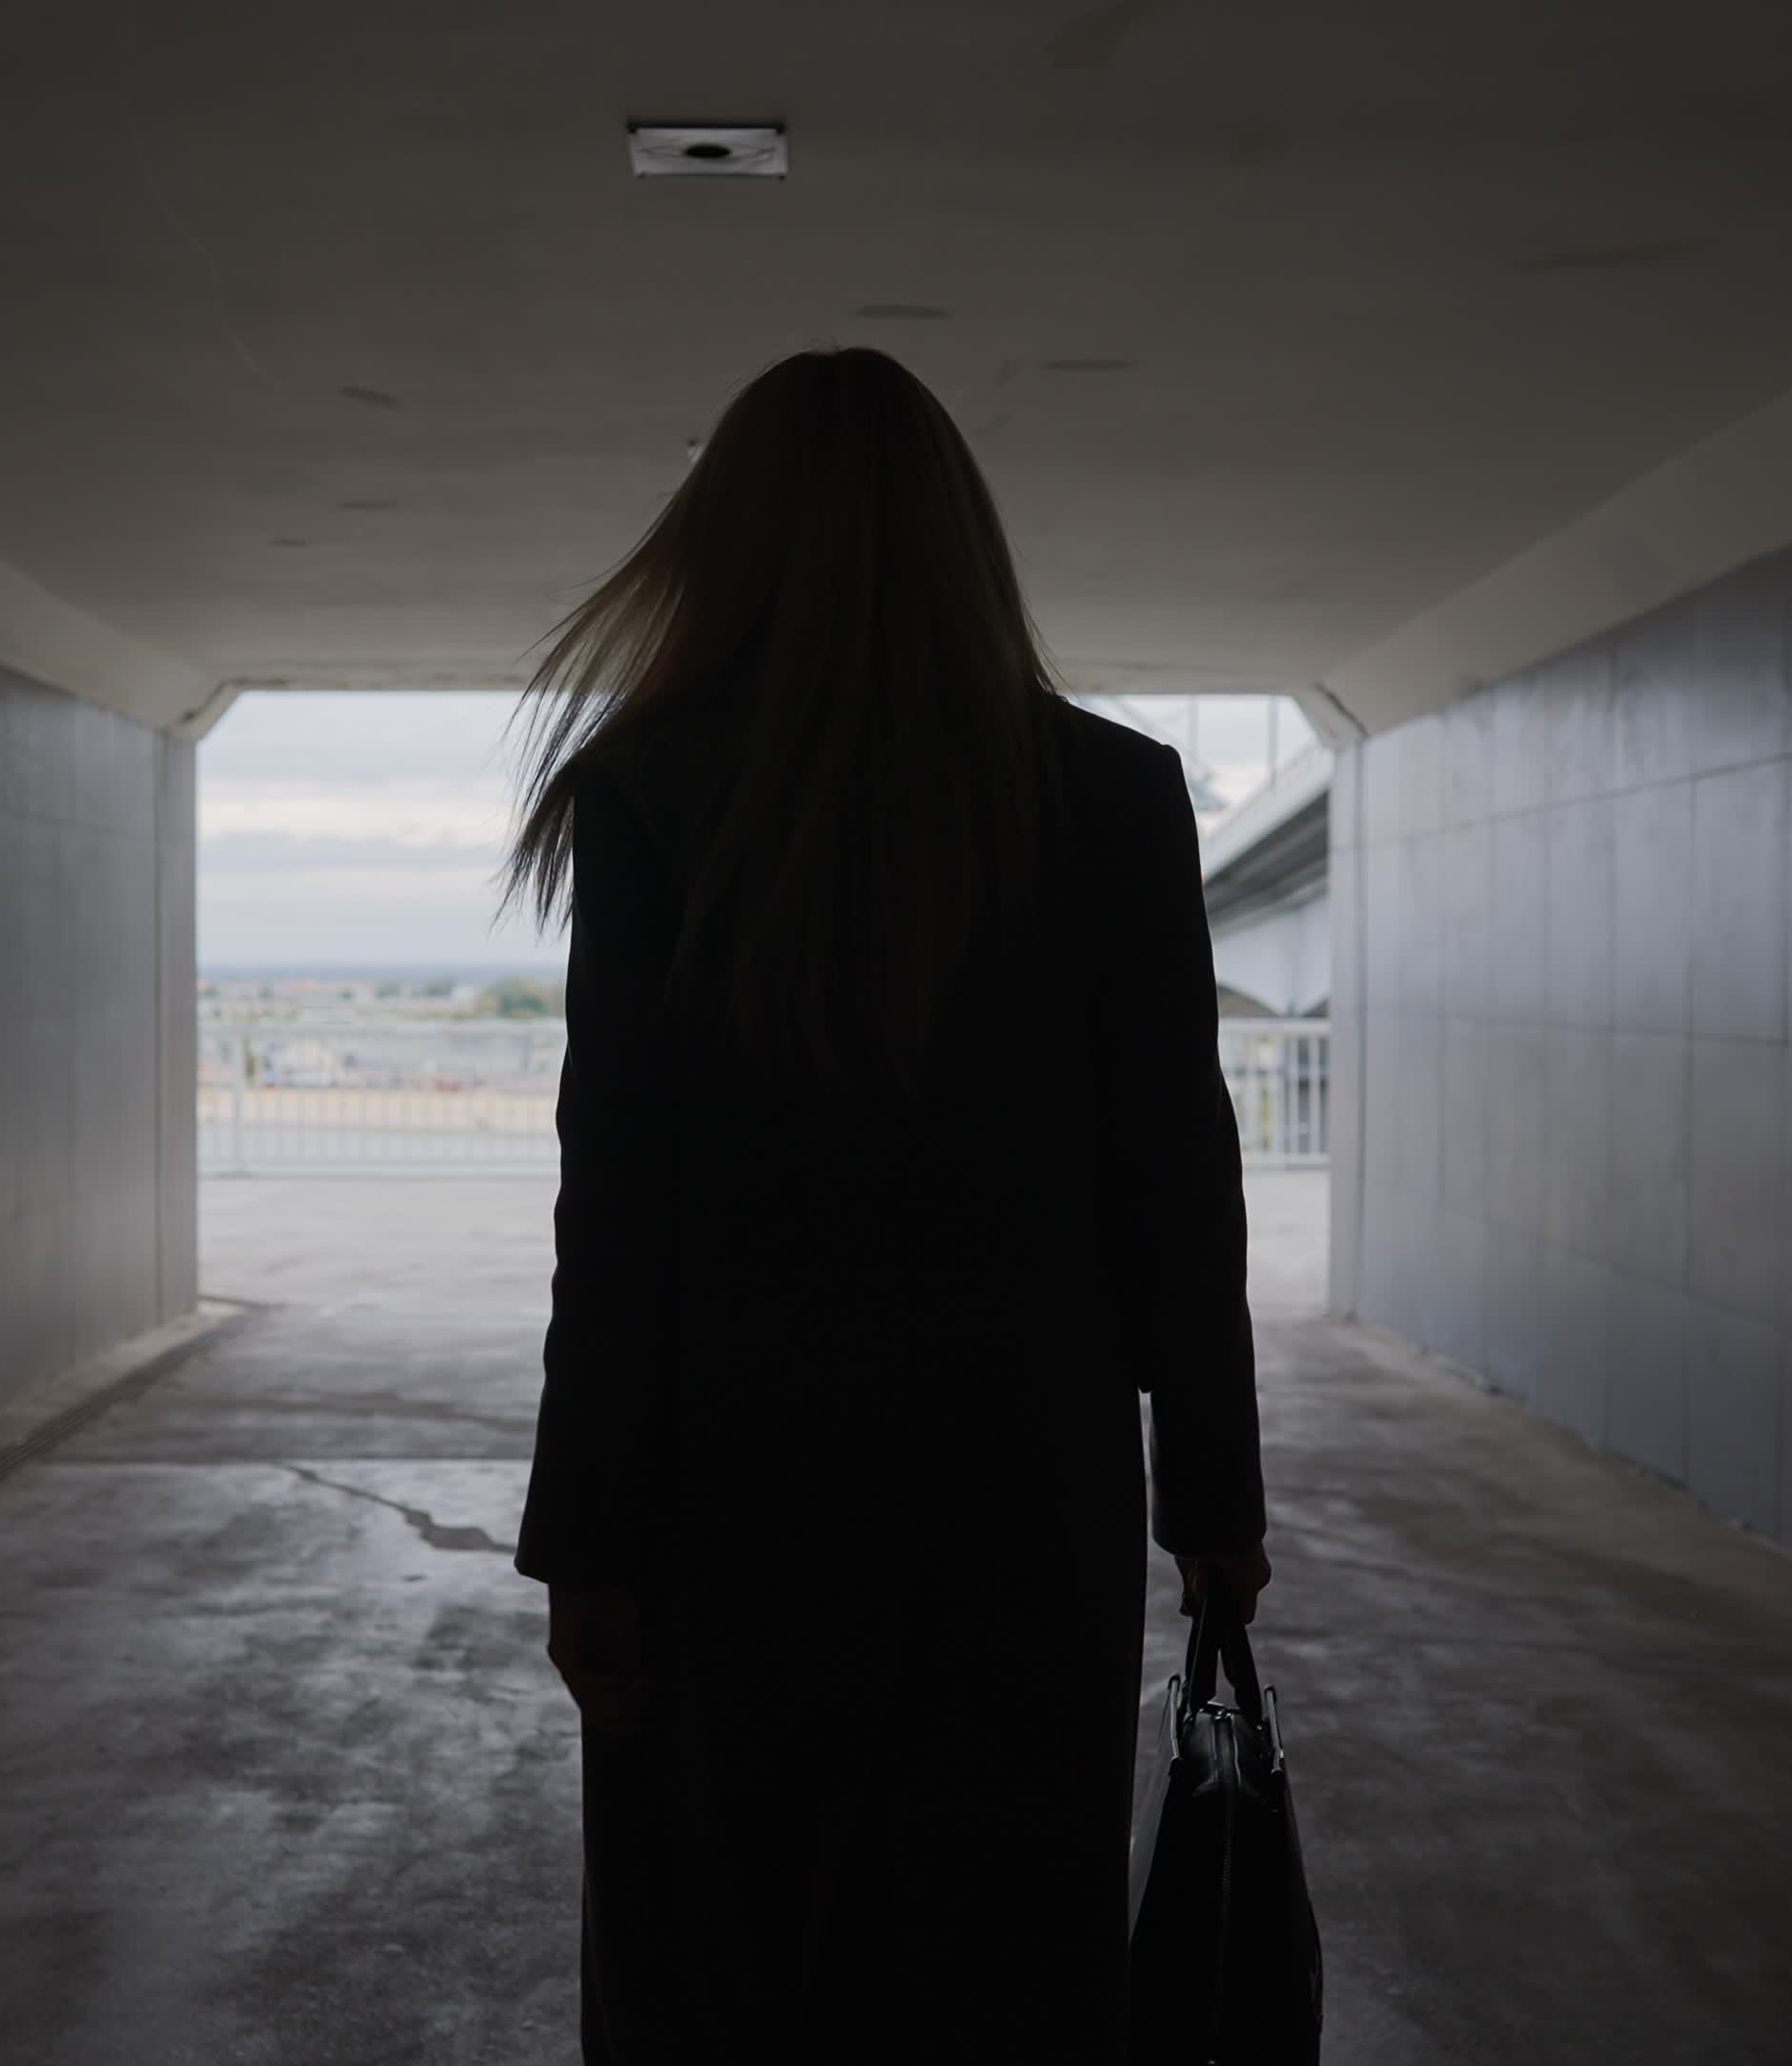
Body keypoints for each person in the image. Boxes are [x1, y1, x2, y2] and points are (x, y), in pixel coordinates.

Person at [501, 345, 1271, 2063]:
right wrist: (1214, 1498)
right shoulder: (1111, 795)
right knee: (1006, 1962)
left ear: (727, 541)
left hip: (731, 1507)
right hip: (1028, 1492)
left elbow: (617, 1206)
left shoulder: (652, 793)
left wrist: (588, 1544)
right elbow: (1176, 1173)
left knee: (726, 1974)